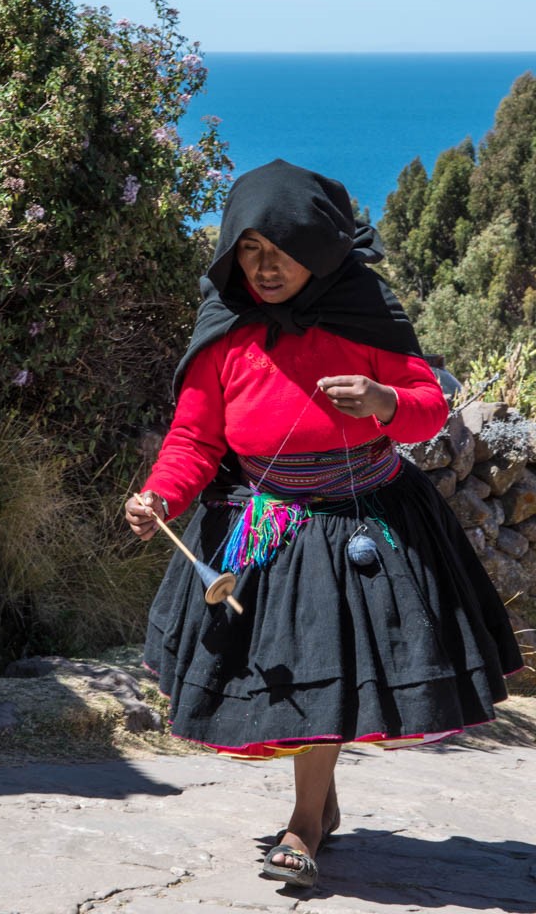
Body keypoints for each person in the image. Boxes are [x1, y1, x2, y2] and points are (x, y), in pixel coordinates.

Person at [124, 159, 522, 889]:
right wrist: (160, 497)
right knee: (301, 680)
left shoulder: (363, 311)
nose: (265, 267)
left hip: (363, 521)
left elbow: (427, 404)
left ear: (318, 247)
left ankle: (305, 824)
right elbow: (194, 439)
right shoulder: (227, 329)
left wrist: (383, 402)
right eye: (248, 250)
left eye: (280, 250)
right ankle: (319, 804)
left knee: (320, 674)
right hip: (267, 529)